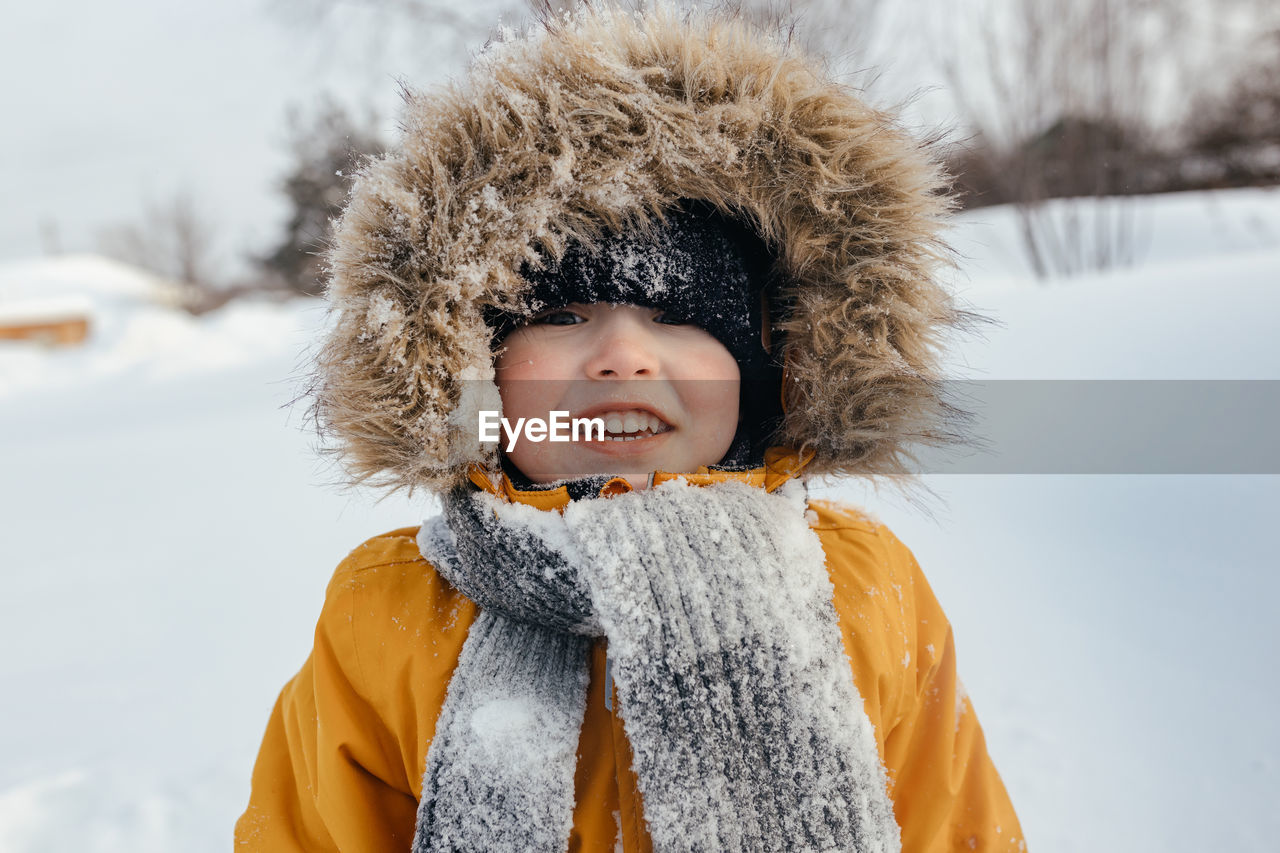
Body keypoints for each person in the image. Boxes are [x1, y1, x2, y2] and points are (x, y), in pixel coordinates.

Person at [235, 5, 1025, 852]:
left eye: (679, 317)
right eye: (563, 314)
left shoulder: (864, 586)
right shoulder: (386, 606)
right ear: (469, 370)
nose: (621, 356)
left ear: (768, 375)